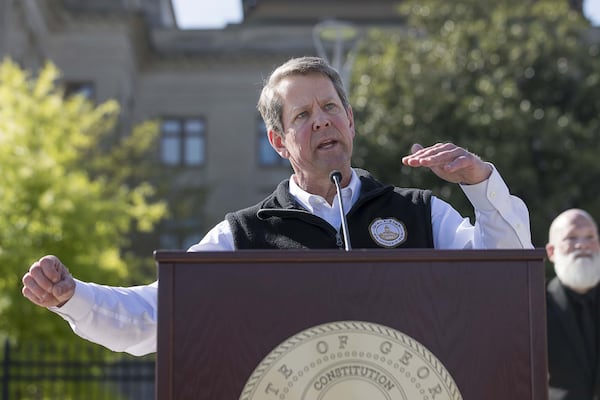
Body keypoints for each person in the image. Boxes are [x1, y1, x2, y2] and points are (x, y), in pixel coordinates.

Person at [22, 56, 532, 356]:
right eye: (303, 115)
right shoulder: (244, 236)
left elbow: (503, 277)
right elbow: (156, 316)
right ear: (278, 141)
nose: (322, 121)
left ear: (351, 121)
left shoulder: (420, 212)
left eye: (331, 108)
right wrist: (74, 298)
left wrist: (481, 184)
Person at [546, 208, 600, 399]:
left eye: (590, 237)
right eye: (571, 238)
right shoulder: (536, 307)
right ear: (551, 251)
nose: (582, 245)